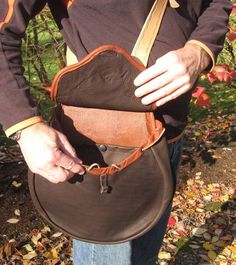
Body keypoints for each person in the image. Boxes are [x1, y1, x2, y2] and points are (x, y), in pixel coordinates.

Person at [0, 1, 232, 264]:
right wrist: (25, 125)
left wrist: (199, 50)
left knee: (144, 258)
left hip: (169, 141)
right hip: (103, 153)